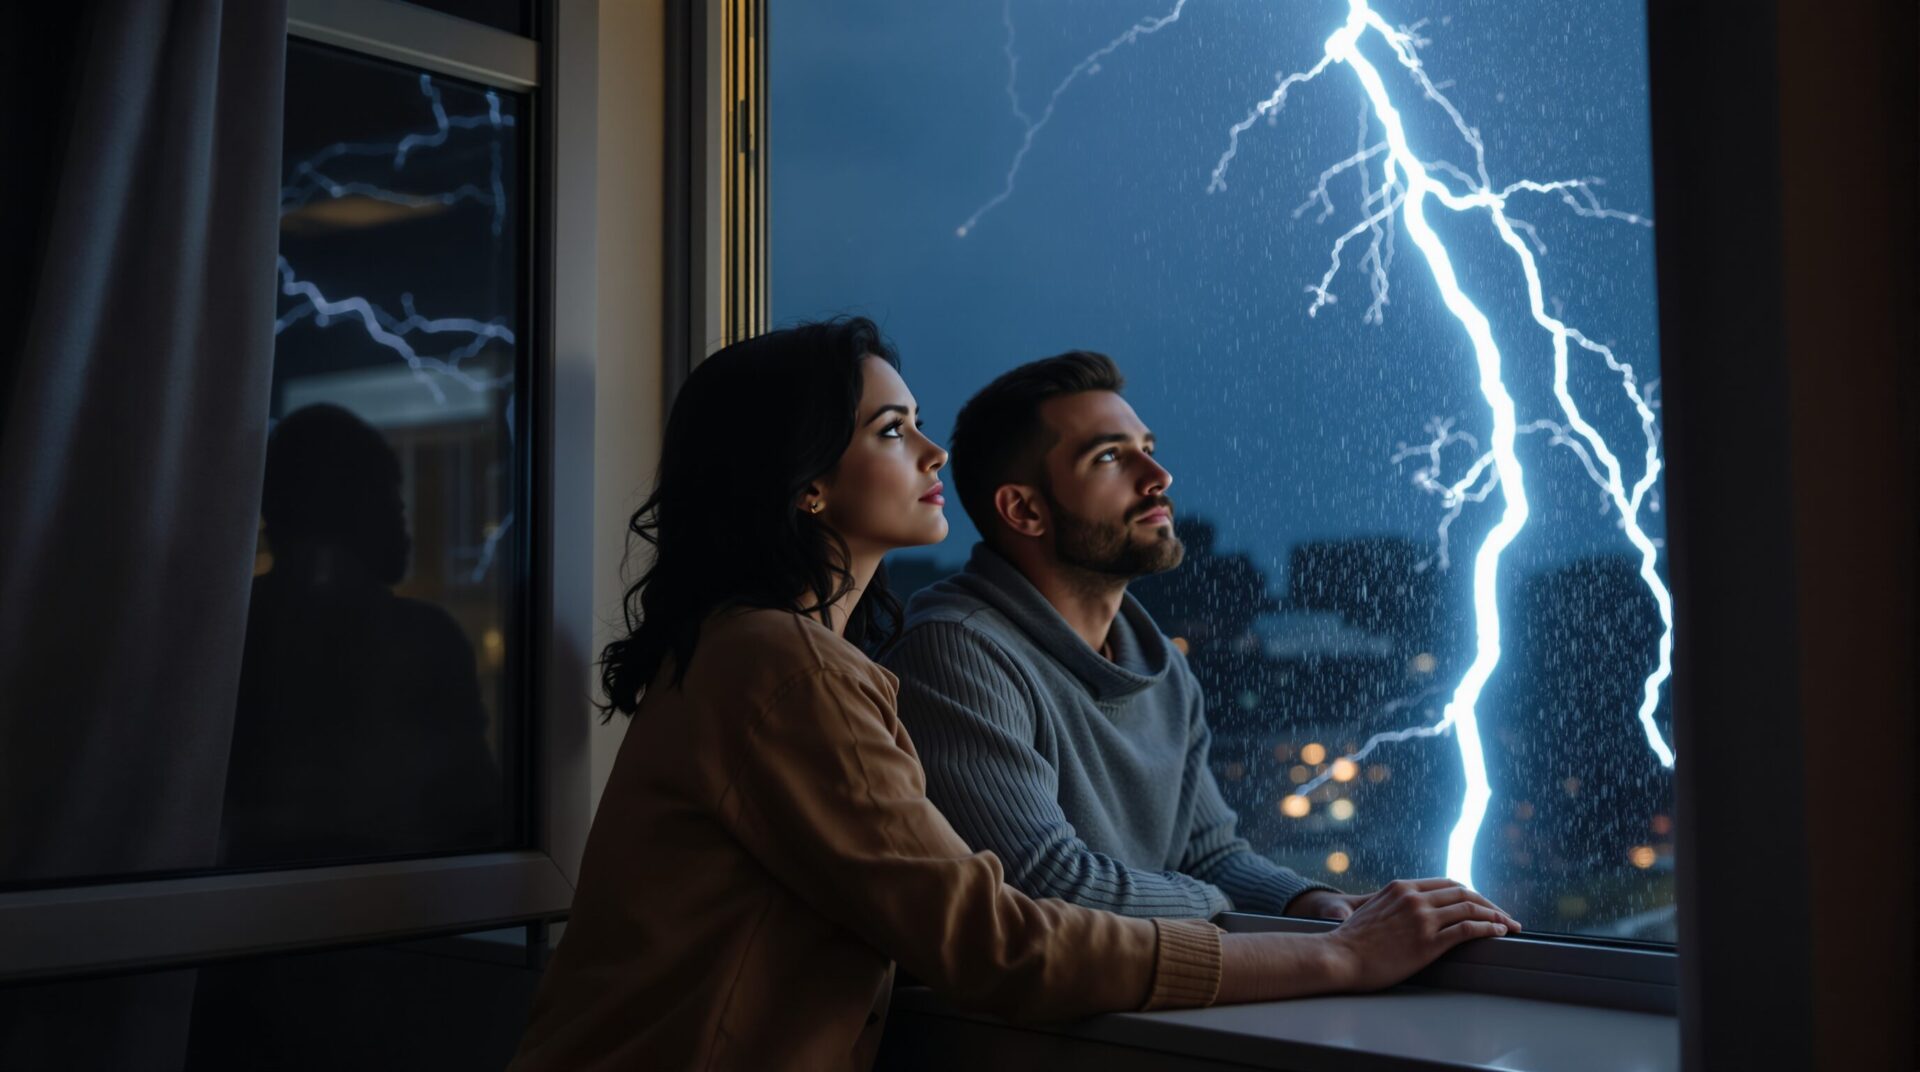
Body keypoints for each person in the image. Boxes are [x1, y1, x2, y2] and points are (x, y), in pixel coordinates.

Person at [507, 320, 1520, 1072]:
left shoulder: (770, 653)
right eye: (895, 429)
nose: (932, 451)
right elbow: (1001, 939)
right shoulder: (787, 666)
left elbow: (1192, 854)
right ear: (808, 481)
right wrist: (1335, 957)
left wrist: (1305, 907)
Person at [883, 351, 1481, 923]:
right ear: (1024, 511)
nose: (1159, 476)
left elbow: (1210, 855)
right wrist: (1218, 903)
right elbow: (1047, 885)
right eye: (1110, 458)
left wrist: (1312, 904)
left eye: (1147, 449)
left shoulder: (1162, 667)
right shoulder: (957, 652)